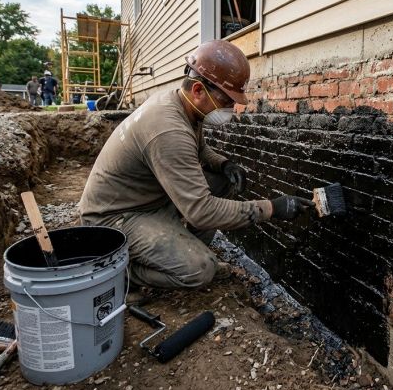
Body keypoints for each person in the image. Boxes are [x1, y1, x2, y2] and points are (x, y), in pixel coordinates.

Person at [78, 40, 312, 297]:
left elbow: (198, 149)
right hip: (114, 218)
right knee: (200, 269)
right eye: (226, 101)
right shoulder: (168, 130)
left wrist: (224, 164)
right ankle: (123, 273)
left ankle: (181, 250)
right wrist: (272, 208)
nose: (230, 109)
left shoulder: (181, 103)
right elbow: (201, 211)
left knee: (221, 182)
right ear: (199, 90)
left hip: (144, 199)